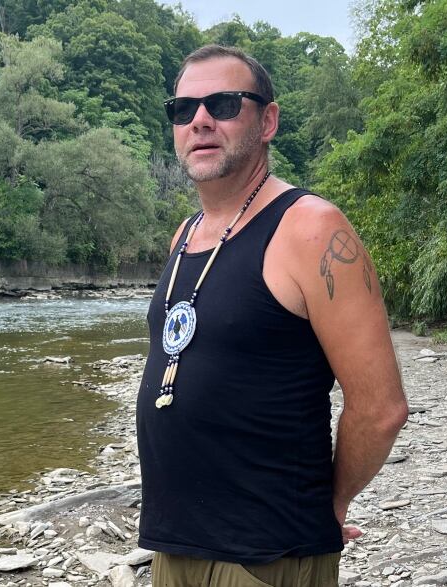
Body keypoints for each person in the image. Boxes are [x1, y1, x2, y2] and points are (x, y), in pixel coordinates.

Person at [136, 44, 408, 587]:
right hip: (174, 543)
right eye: (183, 109)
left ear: (268, 121)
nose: (201, 121)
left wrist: (330, 502)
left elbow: (381, 408)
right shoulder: (187, 235)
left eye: (225, 103)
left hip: (266, 553)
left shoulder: (311, 228)